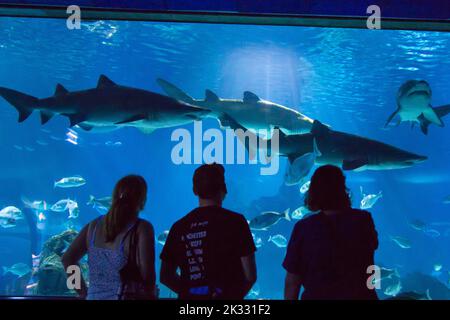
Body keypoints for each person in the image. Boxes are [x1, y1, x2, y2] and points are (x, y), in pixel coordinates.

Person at [160, 163, 257, 299]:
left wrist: (190, 293)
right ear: (223, 189)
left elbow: (165, 276)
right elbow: (250, 276)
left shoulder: (179, 227)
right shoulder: (237, 222)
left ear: (194, 190)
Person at [283, 165, 379, 300]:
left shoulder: (304, 227)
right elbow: (370, 254)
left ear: (313, 192)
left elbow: (293, 279)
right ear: (343, 190)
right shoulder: (363, 220)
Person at [62, 175, 157, 300]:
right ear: (142, 198)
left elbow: (67, 259)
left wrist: (82, 291)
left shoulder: (93, 226)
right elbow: (148, 276)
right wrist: (151, 293)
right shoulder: (142, 228)